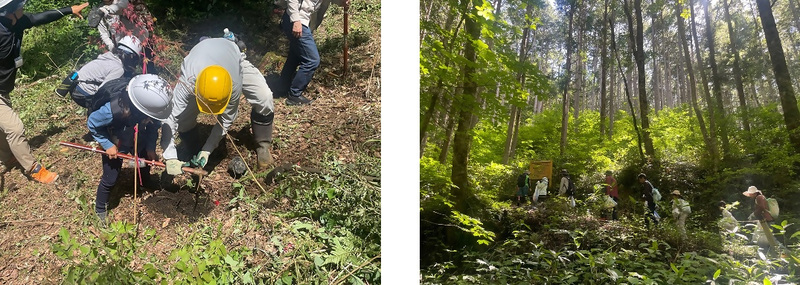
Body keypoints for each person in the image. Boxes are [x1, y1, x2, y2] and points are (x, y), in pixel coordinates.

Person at [0, 0, 89, 183]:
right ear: (9, 11)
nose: (23, 7)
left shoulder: (17, 22)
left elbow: (39, 17)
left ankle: (7, 157)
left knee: (3, 128)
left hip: (3, 89)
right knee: (15, 128)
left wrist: (69, 10)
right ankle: (33, 168)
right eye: (19, 5)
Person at [160, 37, 275, 175]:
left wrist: (207, 150)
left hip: (233, 59)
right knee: (183, 119)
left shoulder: (234, 85)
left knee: (264, 97)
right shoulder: (189, 80)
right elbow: (170, 116)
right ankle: (193, 148)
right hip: (201, 60)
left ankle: (263, 145)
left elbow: (226, 120)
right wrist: (170, 155)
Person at [87, 74, 172, 225]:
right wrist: (107, 145)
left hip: (137, 136)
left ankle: (144, 180)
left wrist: (150, 147)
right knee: (110, 178)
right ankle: (100, 209)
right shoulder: (112, 110)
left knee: (143, 159)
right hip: (115, 140)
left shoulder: (154, 110)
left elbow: (153, 127)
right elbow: (92, 123)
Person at [276, 0, 350, 105]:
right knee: (312, 60)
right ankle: (294, 95)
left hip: (304, 21)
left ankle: (281, 87)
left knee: (295, 56)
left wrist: (341, 2)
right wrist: (296, 21)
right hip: (297, 20)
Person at [62, 36, 141, 109]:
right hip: (83, 93)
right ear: (131, 57)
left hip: (74, 86)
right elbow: (104, 90)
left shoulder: (108, 56)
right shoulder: (118, 68)